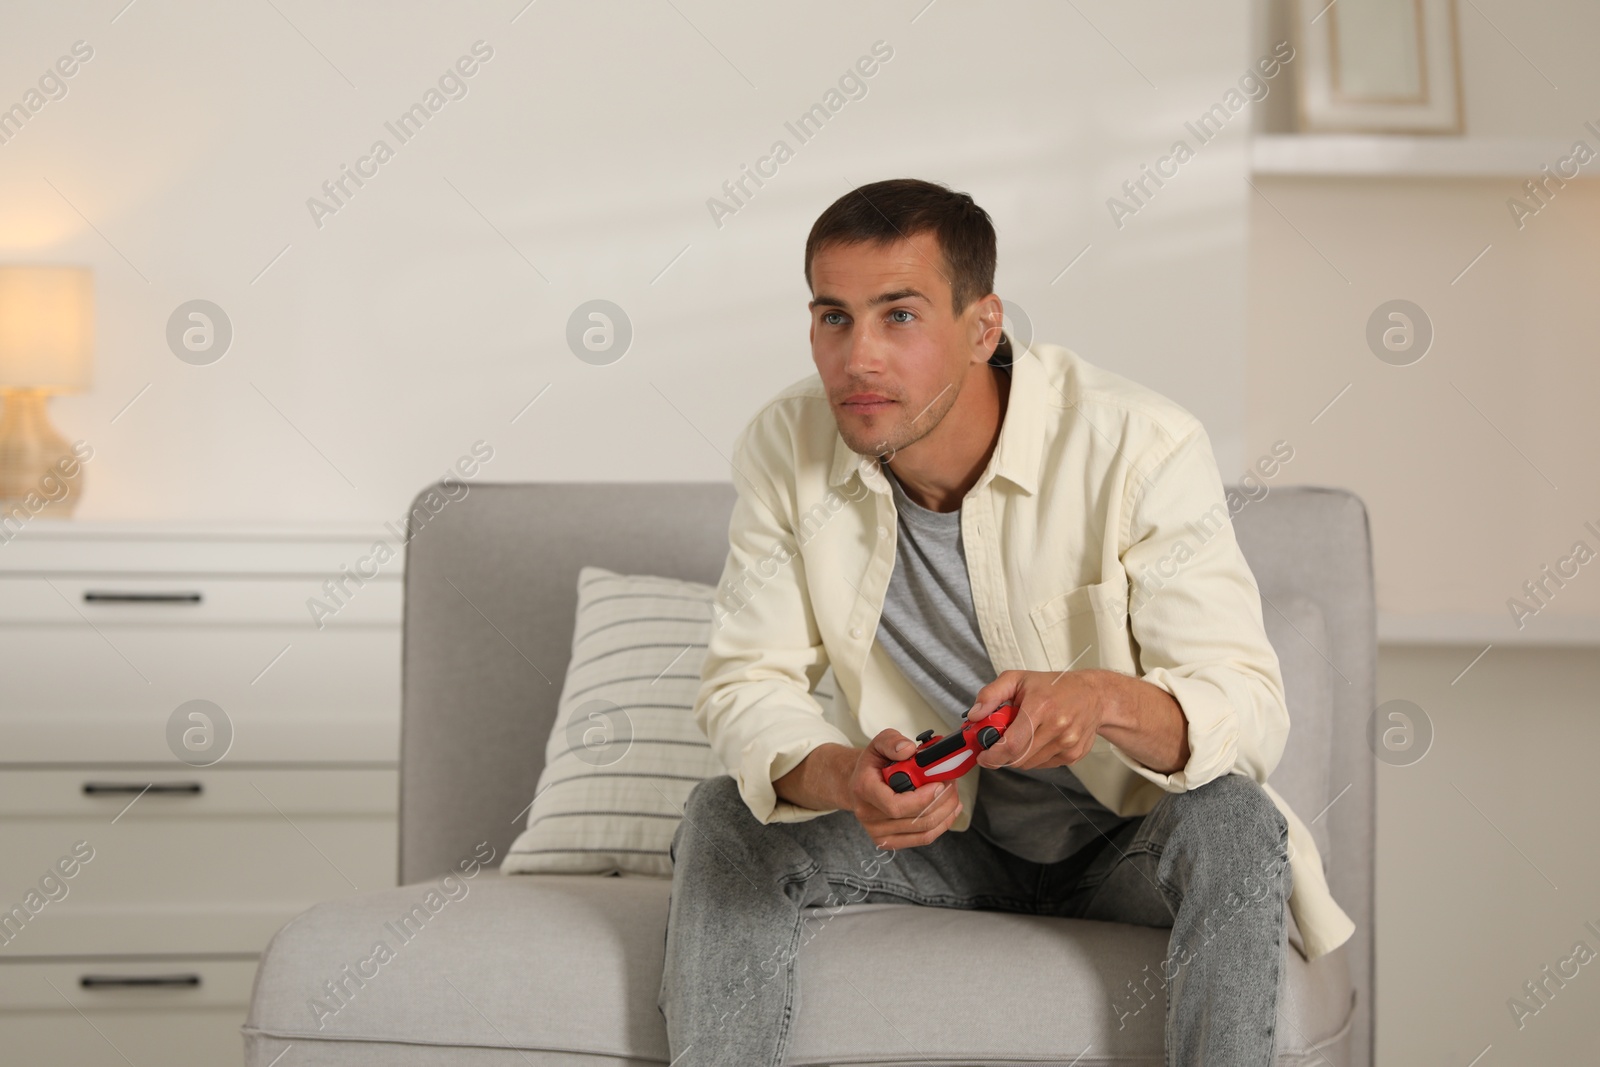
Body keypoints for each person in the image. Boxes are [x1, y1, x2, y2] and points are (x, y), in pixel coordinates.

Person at [658, 177, 1353, 1065]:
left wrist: (1101, 698)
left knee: (1239, 821)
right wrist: (843, 776)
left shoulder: (1139, 445)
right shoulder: (783, 444)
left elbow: (1245, 708)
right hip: (942, 840)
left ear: (983, 327)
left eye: (898, 315)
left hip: (1125, 845)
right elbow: (747, 681)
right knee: (724, 815)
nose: (857, 357)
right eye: (833, 317)